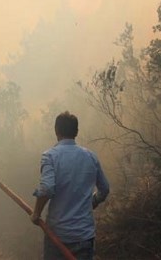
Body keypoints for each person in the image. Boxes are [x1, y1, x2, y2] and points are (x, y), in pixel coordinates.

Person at [30, 111, 110, 260]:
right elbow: (104, 189)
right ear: (76, 132)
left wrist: (36, 214)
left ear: (56, 130)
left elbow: (47, 188)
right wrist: (93, 201)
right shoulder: (90, 157)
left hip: (57, 236)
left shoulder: (50, 156)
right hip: (84, 237)